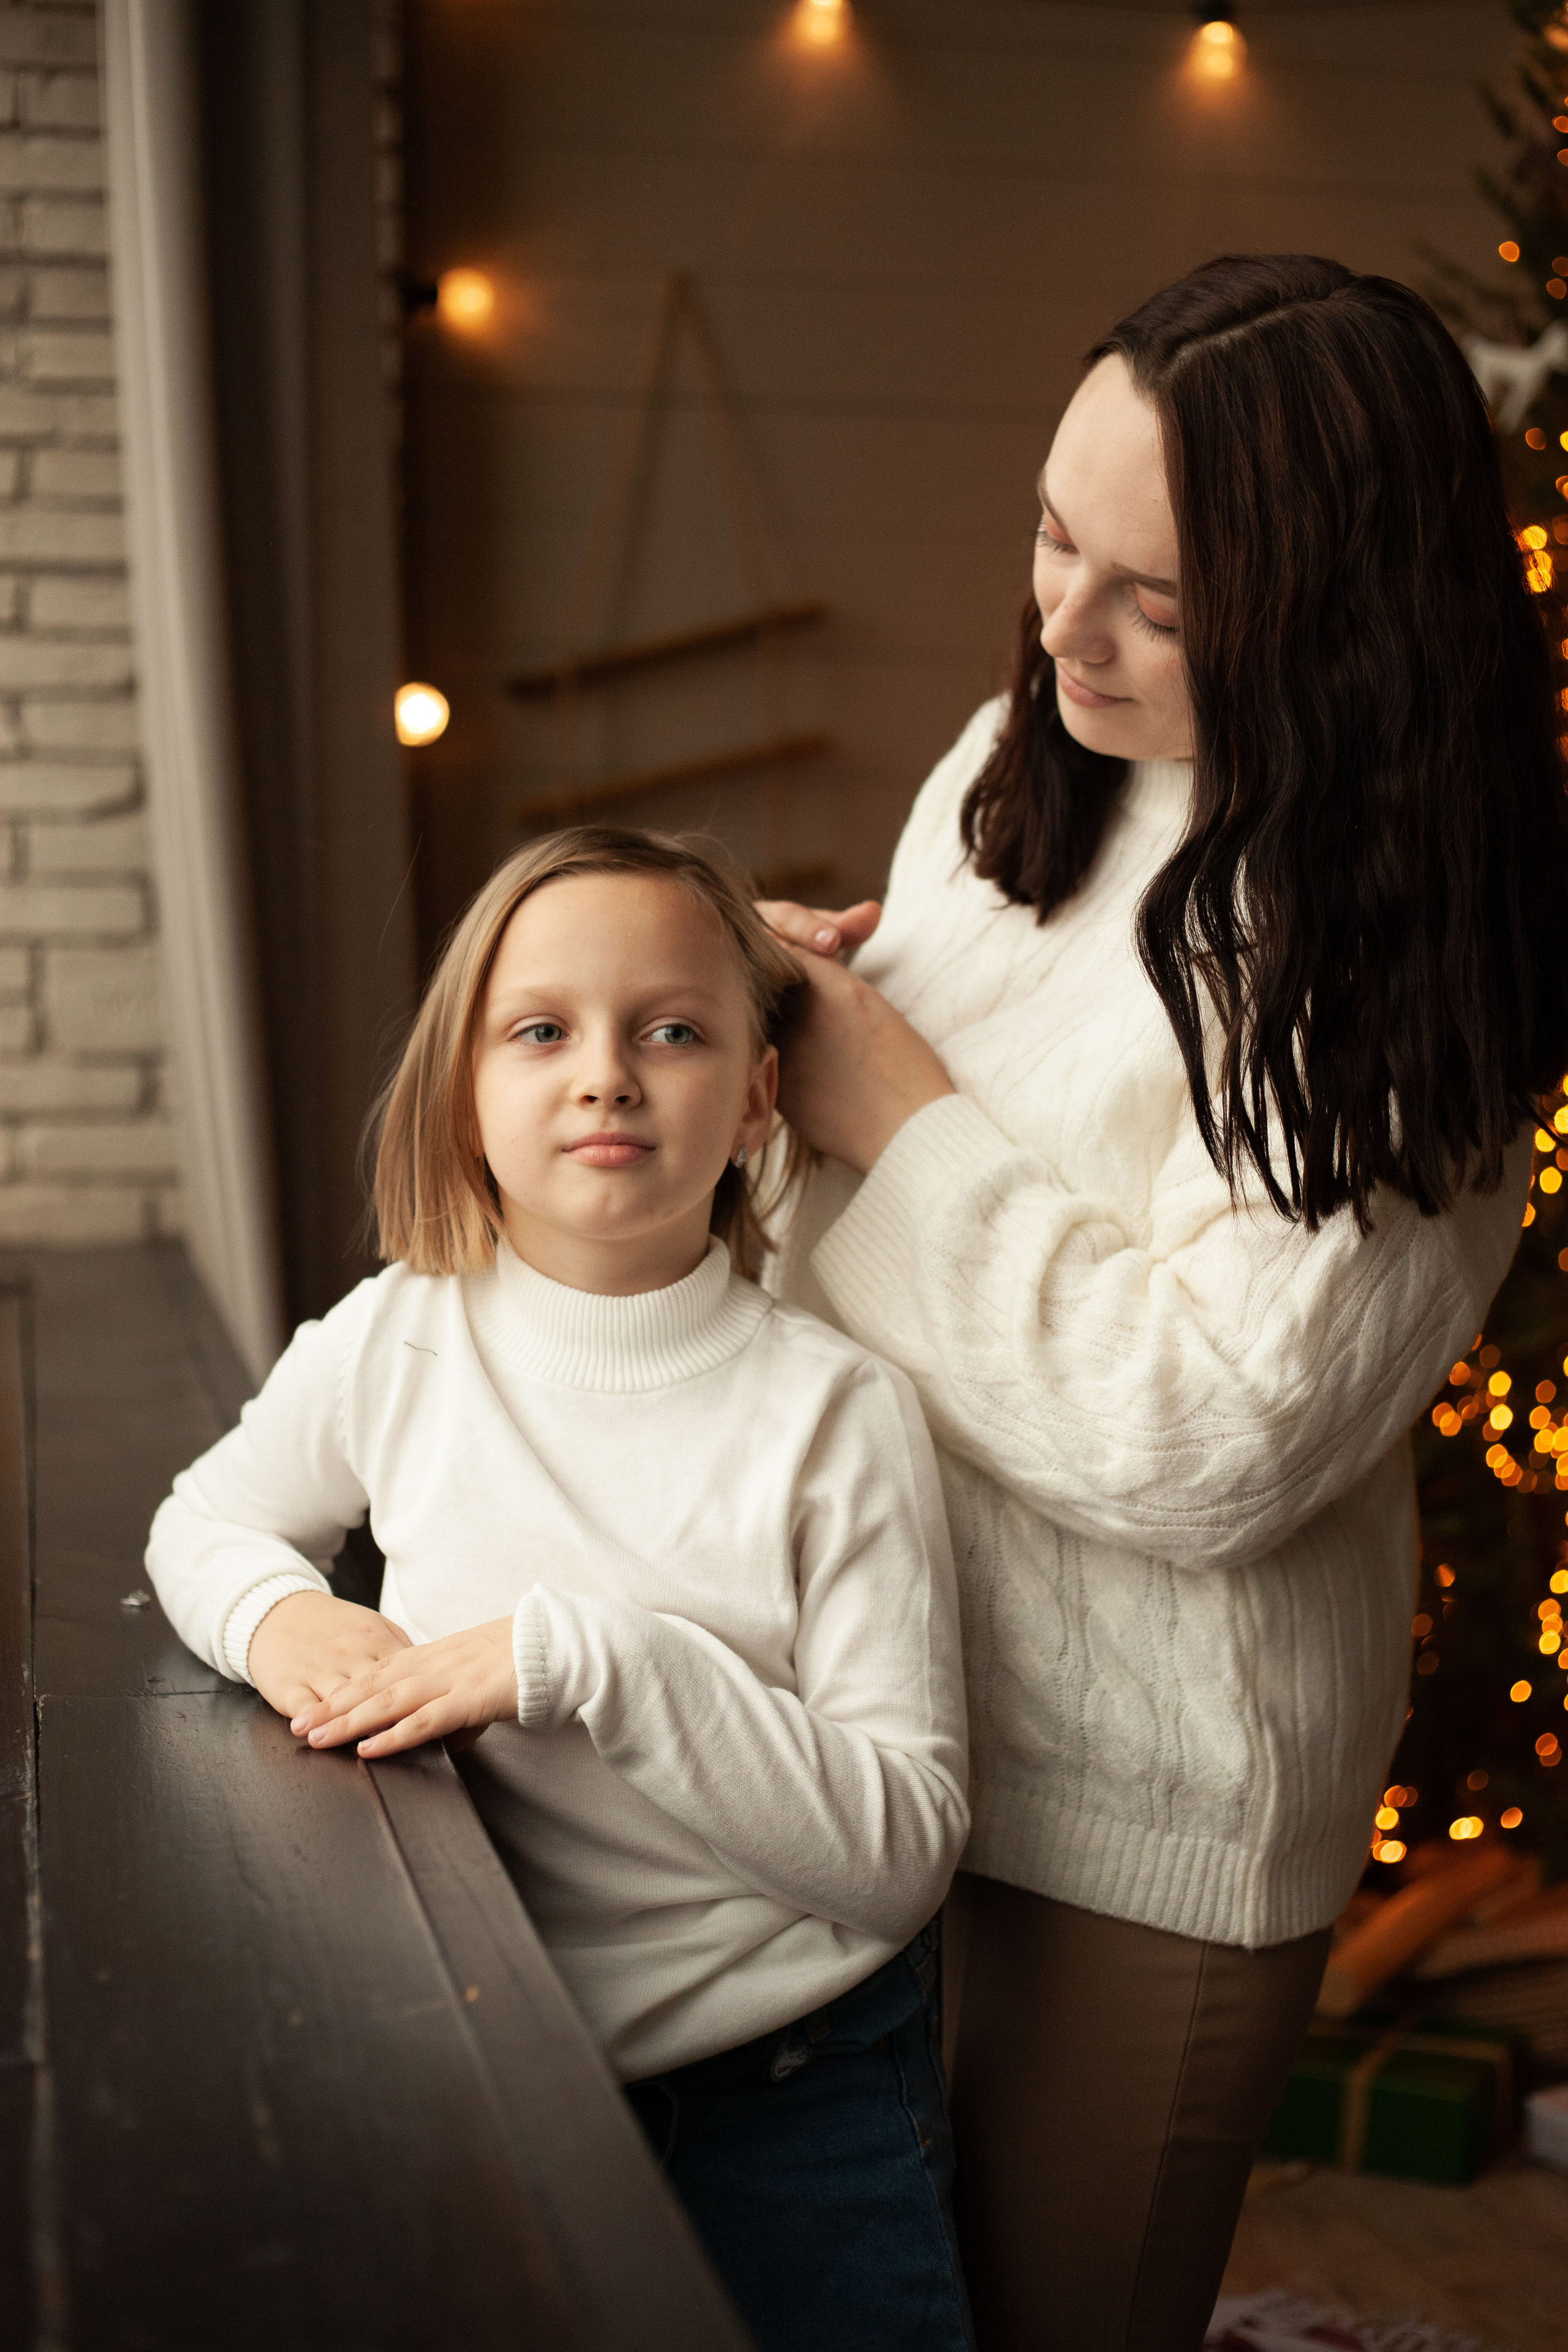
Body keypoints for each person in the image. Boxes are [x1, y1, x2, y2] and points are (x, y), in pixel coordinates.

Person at [758, 253, 1568, 2352]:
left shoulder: (1403, 966)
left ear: (1342, 626)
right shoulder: (1012, 764)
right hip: (865, 1717)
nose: (1060, 625)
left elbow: (1206, 1439)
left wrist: (887, 1102)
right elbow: (852, 1217)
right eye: (1051, 531)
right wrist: (744, 1045)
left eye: (1164, 602)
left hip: (1138, 1819)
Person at [145, 827, 974, 2352]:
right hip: (476, 2052)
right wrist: (283, 1618)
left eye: (672, 1030)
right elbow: (202, 1524)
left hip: (789, 2089)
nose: (607, 1074)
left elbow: (901, 1849)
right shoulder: (398, 1338)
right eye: (542, 1032)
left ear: (756, 1097)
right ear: (469, 1091)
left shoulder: (834, 1414)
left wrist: (590, 1661)